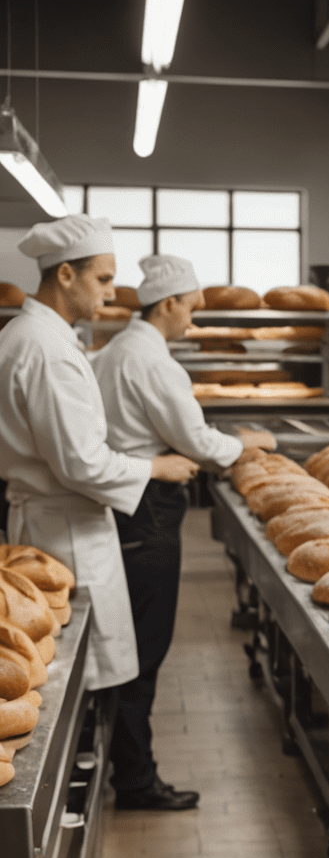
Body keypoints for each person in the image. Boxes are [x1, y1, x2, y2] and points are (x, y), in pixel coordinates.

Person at [94, 254, 277, 811]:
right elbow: (195, 440)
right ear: (168, 303)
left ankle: (128, 768)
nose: (194, 321)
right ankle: (135, 780)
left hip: (126, 505)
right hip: (145, 508)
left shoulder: (115, 350)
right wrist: (248, 443)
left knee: (131, 642)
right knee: (144, 646)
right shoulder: (150, 360)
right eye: (192, 309)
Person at [0, 215, 198, 707]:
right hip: (65, 528)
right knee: (79, 678)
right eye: (104, 279)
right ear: (65, 275)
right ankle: (103, 776)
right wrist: (156, 467)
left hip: (56, 519)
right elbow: (81, 464)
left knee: (84, 670)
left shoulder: (35, 336)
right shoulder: (47, 350)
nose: (113, 295)